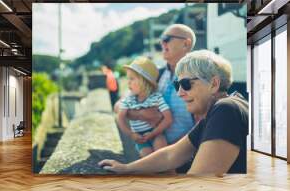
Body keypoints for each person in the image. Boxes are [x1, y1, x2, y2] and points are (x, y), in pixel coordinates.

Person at [99, 50, 249, 176]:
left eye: (185, 84)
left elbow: (199, 183)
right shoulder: (221, 109)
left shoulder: (226, 110)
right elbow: (171, 155)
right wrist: (126, 168)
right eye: (177, 85)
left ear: (213, 84)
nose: (179, 93)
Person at [114, 24, 197, 172]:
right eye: (161, 39)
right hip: (156, 154)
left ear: (186, 43)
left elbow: (204, 121)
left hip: (185, 158)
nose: (162, 43)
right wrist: (140, 114)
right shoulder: (157, 75)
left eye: (167, 39)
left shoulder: (198, 78)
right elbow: (119, 104)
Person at [118, 57, 173, 158]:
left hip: (156, 133)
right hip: (139, 137)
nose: (128, 82)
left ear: (144, 82)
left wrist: (153, 133)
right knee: (147, 157)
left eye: (132, 78)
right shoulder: (128, 100)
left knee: (162, 152)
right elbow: (120, 118)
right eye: (128, 79)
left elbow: (168, 119)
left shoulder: (156, 97)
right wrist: (131, 134)